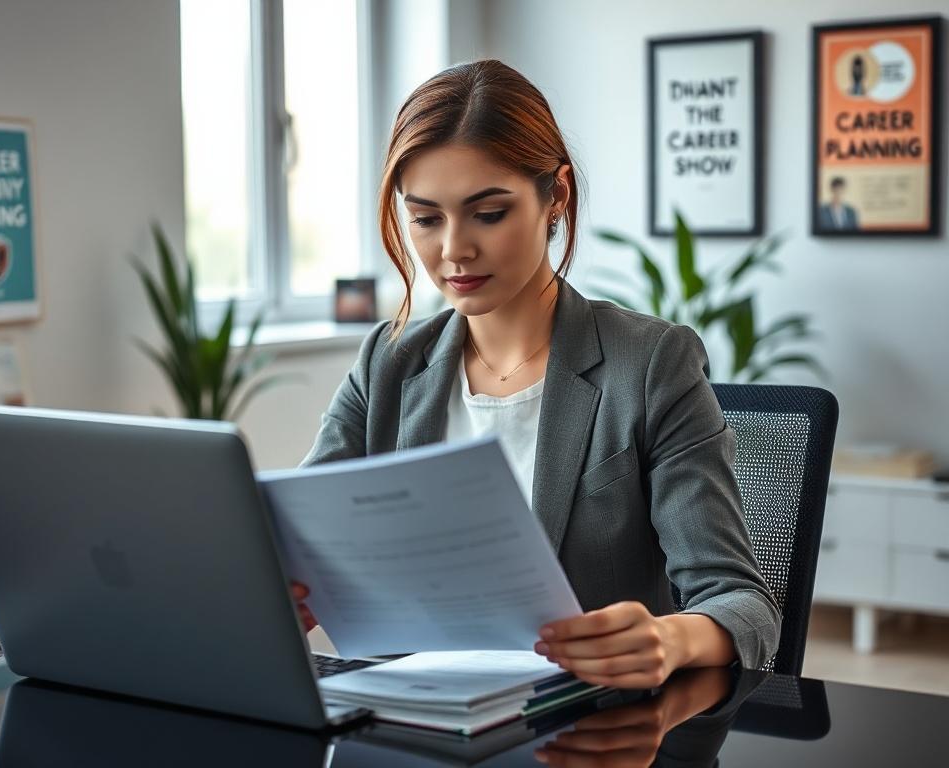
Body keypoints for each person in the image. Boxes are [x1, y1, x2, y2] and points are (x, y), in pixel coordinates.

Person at [292, 59, 781, 690]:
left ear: (557, 198)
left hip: (584, 727)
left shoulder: (652, 363)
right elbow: (292, 533)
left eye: (488, 213)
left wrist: (671, 636)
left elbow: (742, 602)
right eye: (426, 217)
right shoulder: (387, 364)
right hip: (414, 722)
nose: (453, 250)